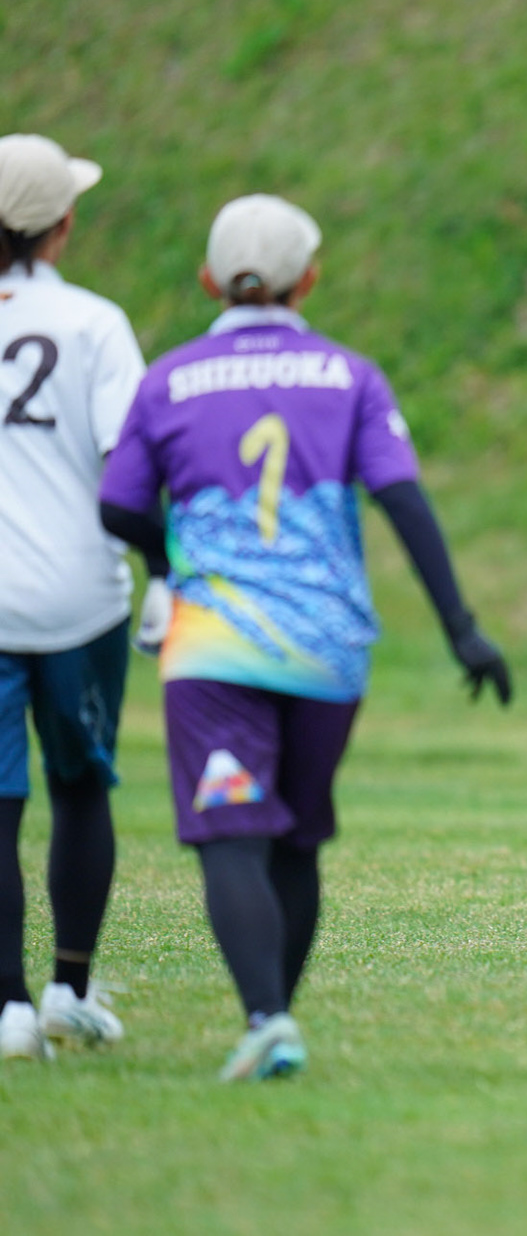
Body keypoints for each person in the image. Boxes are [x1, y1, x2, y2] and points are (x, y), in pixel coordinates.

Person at [99, 194, 511, 1081]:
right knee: (295, 836)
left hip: (214, 642)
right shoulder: (350, 376)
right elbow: (403, 500)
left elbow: (118, 504)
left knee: (231, 832)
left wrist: (168, 558)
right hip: (328, 645)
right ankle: (274, 1023)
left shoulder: (167, 379)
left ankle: (267, 1018)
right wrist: (463, 630)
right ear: (310, 279)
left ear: (208, 280)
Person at [0, 134, 148, 1063]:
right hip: (79, 599)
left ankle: (8, 1008)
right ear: (61, 225)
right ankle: (69, 989)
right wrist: (167, 567)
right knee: (81, 788)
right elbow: (126, 473)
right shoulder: (95, 323)